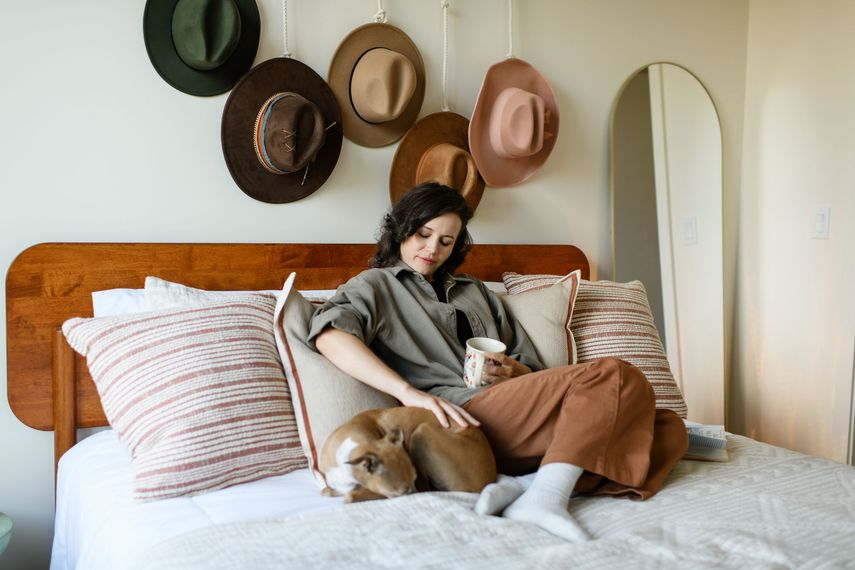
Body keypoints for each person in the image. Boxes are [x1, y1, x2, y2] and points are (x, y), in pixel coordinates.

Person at [308, 183, 687, 542]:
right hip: (458, 417)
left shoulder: (477, 293)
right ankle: (546, 499)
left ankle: (520, 486)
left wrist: (516, 370)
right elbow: (329, 335)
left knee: (667, 428)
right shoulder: (375, 285)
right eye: (423, 234)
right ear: (402, 230)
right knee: (615, 375)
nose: (432, 249)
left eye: (446, 240)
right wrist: (409, 394)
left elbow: (537, 370)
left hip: (517, 411)